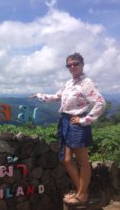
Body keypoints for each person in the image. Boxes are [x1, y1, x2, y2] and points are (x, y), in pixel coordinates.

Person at [31, 53, 106, 206]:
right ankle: (81, 191)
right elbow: (56, 97)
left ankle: (81, 195)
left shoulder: (86, 83)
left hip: (77, 124)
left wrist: (85, 120)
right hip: (65, 122)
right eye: (69, 65)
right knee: (66, 160)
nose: (72, 67)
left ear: (82, 64)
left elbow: (100, 103)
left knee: (82, 162)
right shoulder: (69, 83)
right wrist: (40, 95)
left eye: (75, 63)